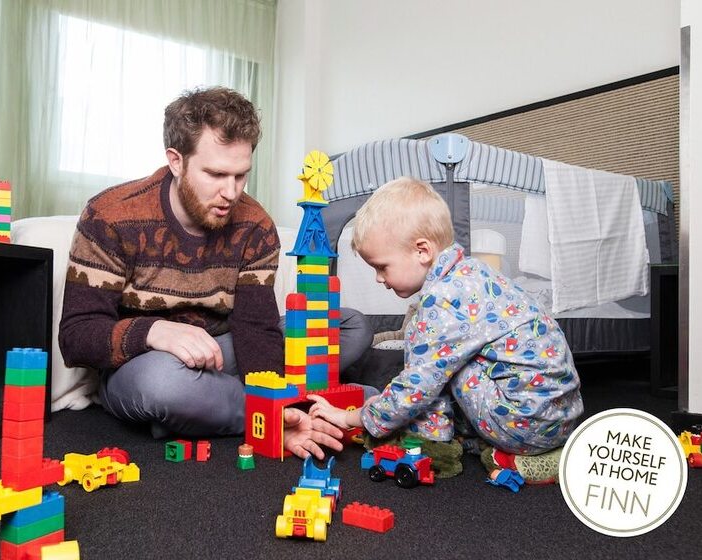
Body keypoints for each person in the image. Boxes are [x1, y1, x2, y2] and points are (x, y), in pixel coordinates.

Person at [59, 86, 371, 460]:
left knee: (349, 325)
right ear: (176, 161)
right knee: (163, 384)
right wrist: (156, 331)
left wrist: (268, 396)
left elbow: (256, 330)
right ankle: (301, 409)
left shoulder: (254, 225)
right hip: (147, 363)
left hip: (225, 350)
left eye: (241, 176)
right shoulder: (110, 216)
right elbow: (76, 338)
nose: (231, 192)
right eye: (216, 174)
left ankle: (209, 409)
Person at [309, 177, 584, 481]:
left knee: (434, 370)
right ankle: (538, 450)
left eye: (382, 266)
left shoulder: (441, 302)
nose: (378, 278)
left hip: (525, 421)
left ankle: (437, 441)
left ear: (422, 251)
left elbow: (419, 386)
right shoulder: (474, 273)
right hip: (561, 414)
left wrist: (355, 417)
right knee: (447, 361)